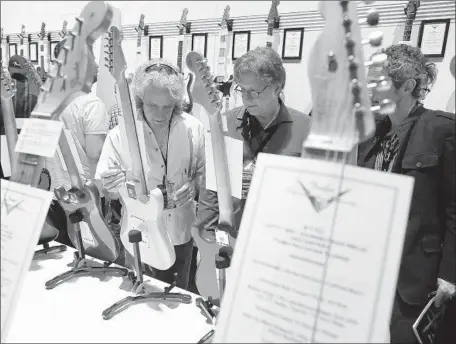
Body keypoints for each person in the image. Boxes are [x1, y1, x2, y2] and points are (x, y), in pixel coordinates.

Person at [358, 44, 455, 343]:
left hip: (415, 275)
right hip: (369, 270)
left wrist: (450, 273)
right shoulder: (371, 133)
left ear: (409, 85)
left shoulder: (441, 130)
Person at [95, 58, 206, 290]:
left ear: (176, 102)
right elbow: (107, 191)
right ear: (140, 100)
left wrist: (195, 184)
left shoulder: (193, 128)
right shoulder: (120, 135)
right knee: (139, 297)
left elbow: (204, 176)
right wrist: (110, 185)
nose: (159, 114)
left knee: (176, 299)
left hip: (180, 233)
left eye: (167, 107)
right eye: (152, 105)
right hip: (138, 235)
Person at [195, 46, 311, 236]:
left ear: (278, 86)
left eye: (255, 91)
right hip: (233, 236)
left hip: (280, 238)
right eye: (242, 90)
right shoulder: (224, 123)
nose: (247, 98)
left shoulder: (306, 129)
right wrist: (204, 233)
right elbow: (211, 188)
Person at [45, 38, 110, 246]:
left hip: (57, 195)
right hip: (86, 200)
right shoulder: (91, 105)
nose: (98, 66)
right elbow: (96, 157)